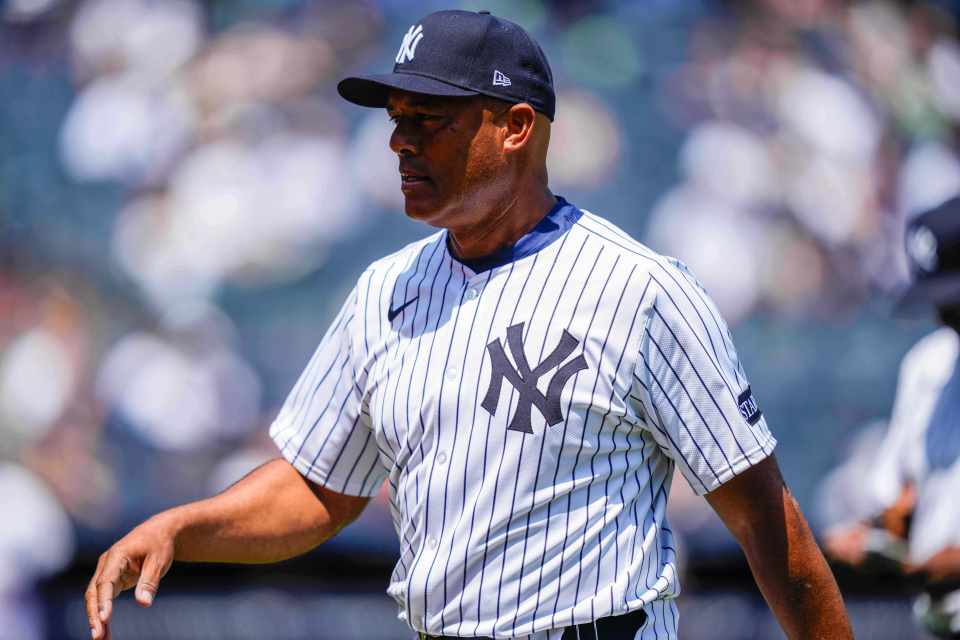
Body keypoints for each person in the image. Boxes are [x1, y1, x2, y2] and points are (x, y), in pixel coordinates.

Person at [86, 10, 852, 640]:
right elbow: (318, 488)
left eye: (432, 119)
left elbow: (764, 523)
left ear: (517, 127)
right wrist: (185, 528)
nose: (400, 140)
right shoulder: (383, 292)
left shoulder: (641, 290)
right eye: (396, 118)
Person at [826, 196, 960, 638]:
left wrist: (934, 564)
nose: (944, 314)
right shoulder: (931, 365)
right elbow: (903, 504)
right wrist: (867, 539)